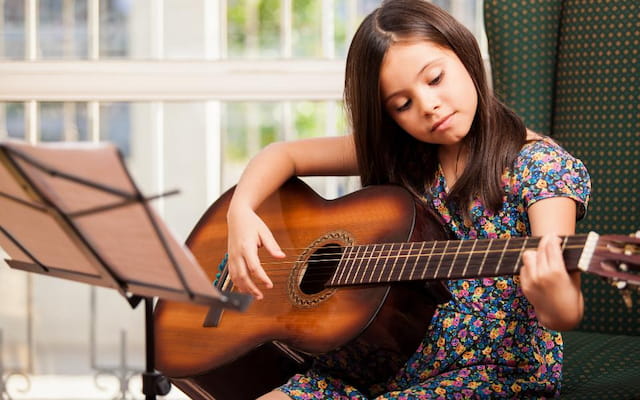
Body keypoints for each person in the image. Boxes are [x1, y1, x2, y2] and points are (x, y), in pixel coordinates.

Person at [225, 0, 591, 398]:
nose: (428, 106)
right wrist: (240, 211)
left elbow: (564, 312)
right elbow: (282, 154)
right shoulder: (406, 151)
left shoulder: (540, 166)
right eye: (402, 104)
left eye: (435, 78)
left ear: (464, 53)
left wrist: (553, 297)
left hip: (491, 371)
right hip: (377, 356)